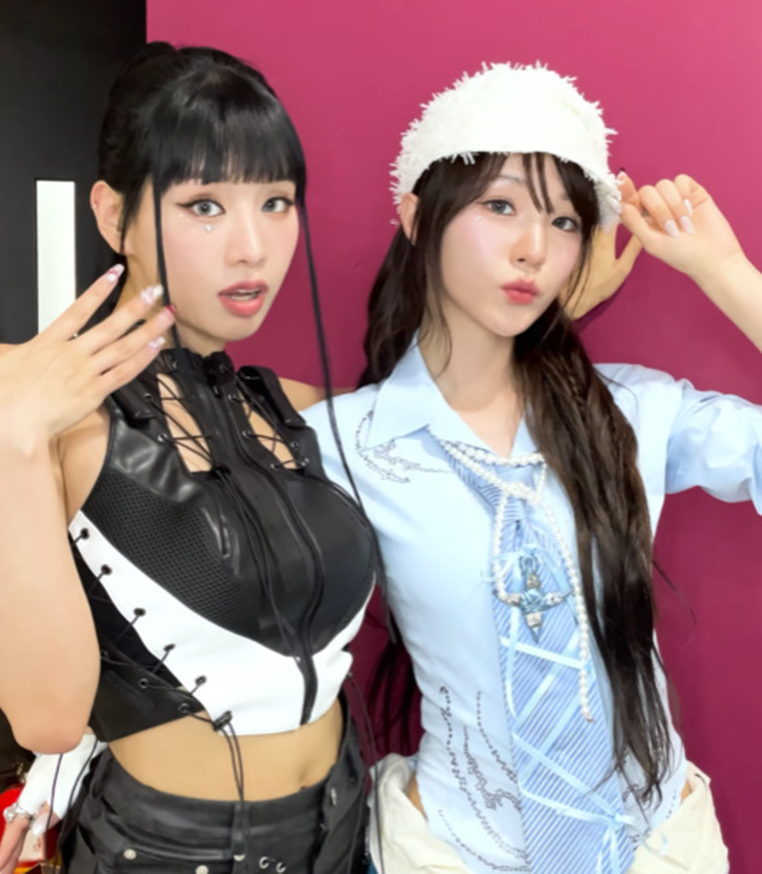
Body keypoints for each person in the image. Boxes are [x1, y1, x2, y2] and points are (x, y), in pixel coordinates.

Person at [304, 63, 749, 873]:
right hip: (452, 851)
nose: (534, 249)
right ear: (417, 215)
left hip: (658, 848)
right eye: (500, 206)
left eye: (565, 221)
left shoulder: (633, 414)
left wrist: (727, 272)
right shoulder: (344, 442)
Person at [0, 42, 376, 873]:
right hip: (167, 851)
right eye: (204, 205)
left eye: (276, 202)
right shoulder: (47, 425)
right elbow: (48, 718)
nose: (253, 247)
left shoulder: (294, 409)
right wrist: (7, 437)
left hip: (347, 827)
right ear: (111, 216)